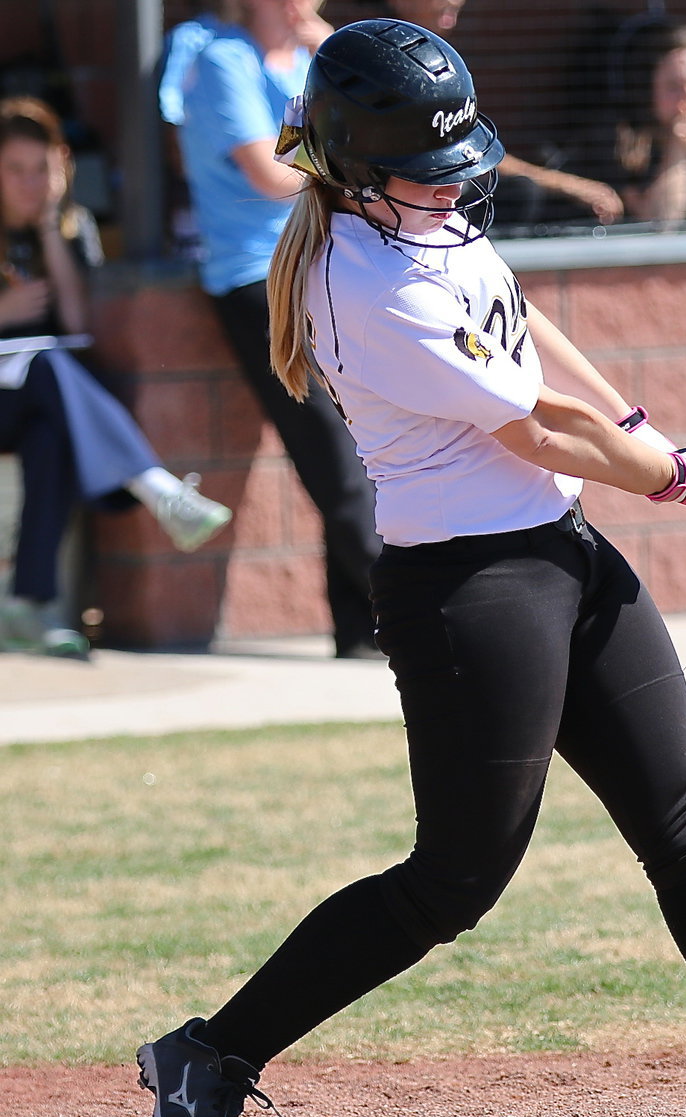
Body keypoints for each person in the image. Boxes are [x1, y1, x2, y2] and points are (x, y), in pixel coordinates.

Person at [134, 19, 686, 1117]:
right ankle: (209, 1054)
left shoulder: (425, 223)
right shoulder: (365, 284)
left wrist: (642, 428)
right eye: (427, 171)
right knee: (455, 879)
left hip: (561, 549)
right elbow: (533, 424)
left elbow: (528, 330)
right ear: (353, 171)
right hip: (469, 589)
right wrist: (654, 474)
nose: (454, 188)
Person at [161, 0, 386, 659]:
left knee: (360, 451)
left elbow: (364, 132)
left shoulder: (309, 59)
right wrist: (345, 153)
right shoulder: (221, 58)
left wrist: (333, 69)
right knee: (333, 454)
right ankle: (407, 611)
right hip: (257, 282)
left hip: (328, 264)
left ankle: (360, 629)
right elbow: (273, 175)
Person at [0, 96, 231, 658]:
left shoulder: (71, 227)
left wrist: (51, 230)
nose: (29, 184)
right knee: (51, 365)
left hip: (36, 403)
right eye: (14, 171)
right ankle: (160, 490)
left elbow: (78, 321)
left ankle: (25, 607)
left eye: (42, 170)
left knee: (50, 427)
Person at [377, 0, 623, 226]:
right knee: (522, 193)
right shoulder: (373, 57)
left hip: (432, 219)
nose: (455, 1)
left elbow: (469, 149)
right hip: (387, 214)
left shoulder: (438, 56)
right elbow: (469, 155)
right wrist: (567, 185)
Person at [575, 18, 686, 226]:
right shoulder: (620, 133)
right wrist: (678, 145)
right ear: (647, 88)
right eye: (674, 87)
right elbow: (657, 222)